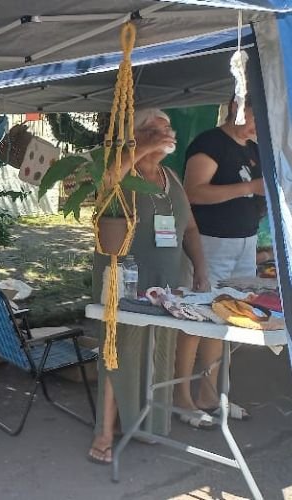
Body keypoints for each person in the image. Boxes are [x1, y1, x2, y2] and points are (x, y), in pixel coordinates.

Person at [88, 108, 210, 465]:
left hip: (165, 282)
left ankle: (148, 422)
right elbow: (106, 183)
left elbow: (190, 228)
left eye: (168, 128)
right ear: (136, 135)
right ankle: (104, 433)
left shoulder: (171, 177)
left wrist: (200, 269)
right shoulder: (122, 171)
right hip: (124, 279)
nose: (167, 133)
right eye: (156, 129)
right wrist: (141, 149)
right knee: (118, 350)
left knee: (158, 349)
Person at [176, 96, 264, 425]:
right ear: (237, 107)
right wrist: (248, 187)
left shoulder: (253, 149)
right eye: (255, 117)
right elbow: (193, 192)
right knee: (196, 318)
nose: (258, 126)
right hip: (211, 243)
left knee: (227, 316)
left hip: (245, 242)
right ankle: (181, 397)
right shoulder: (211, 143)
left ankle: (210, 395)